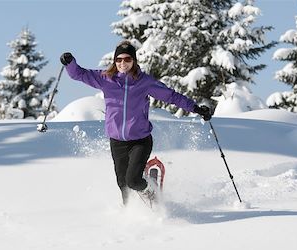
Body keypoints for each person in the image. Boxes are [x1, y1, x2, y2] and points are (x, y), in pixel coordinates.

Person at [60, 41, 211, 205]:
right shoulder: (106, 79)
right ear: (114, 61)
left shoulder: (143, 82)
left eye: (127, 59)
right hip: (117, 141)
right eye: (119, 60)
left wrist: (195, 108)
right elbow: (79, 74)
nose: (122, 63)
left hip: (140, 140)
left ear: (133, 61)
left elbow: (171, 96)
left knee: (133, 180)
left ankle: (153, 196)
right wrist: (70, 63)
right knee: (124, 186)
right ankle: (132, 219)